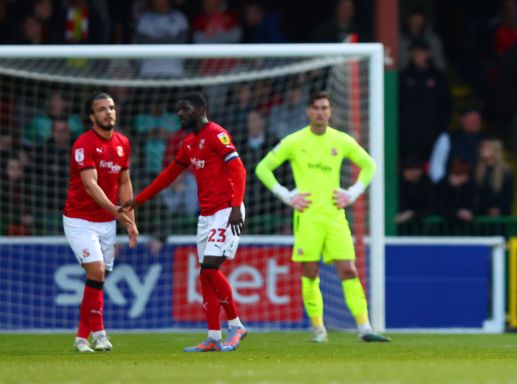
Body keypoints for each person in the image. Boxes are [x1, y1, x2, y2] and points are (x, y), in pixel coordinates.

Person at [254, 91, 388, 343]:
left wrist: (353, 193)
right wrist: (286, 195)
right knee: (310, 272)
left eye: (324, 107)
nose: (320, 112)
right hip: (307, 217)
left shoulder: (341, 140)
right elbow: (262, 168)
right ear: (308, 111)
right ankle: (318, 329)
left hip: (335, 216)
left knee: (349, 270)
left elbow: (370, 165)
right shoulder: (294, 141)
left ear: (330, 111)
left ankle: (365, 328)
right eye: (315, 107)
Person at [121, 92, 248, 352]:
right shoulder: (189, 143)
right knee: (205, 275)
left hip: (227, 210)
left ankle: (236, 325)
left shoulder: (217, 134)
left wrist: (236, 205)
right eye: (178, 109)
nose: (179, 114)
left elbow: (239, 169)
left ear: (201, 108)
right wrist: (138, 199)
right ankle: (213, 337)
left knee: (211, 269)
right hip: (206, 215)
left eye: (185, 109)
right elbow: (168, 175)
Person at [64, 92, 138, 352]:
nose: (109, 112)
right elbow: (89, 184)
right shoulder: (84, 144)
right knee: (96, 272)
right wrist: (115, 210)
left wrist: (129, 221)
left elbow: (125, 182)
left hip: (108, 223)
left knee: (99, 279)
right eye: (102, 109)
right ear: (92, 116)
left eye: (111, 107)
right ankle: (100, 333)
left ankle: (81, 338)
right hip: (79, 220)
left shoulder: (123, 143)